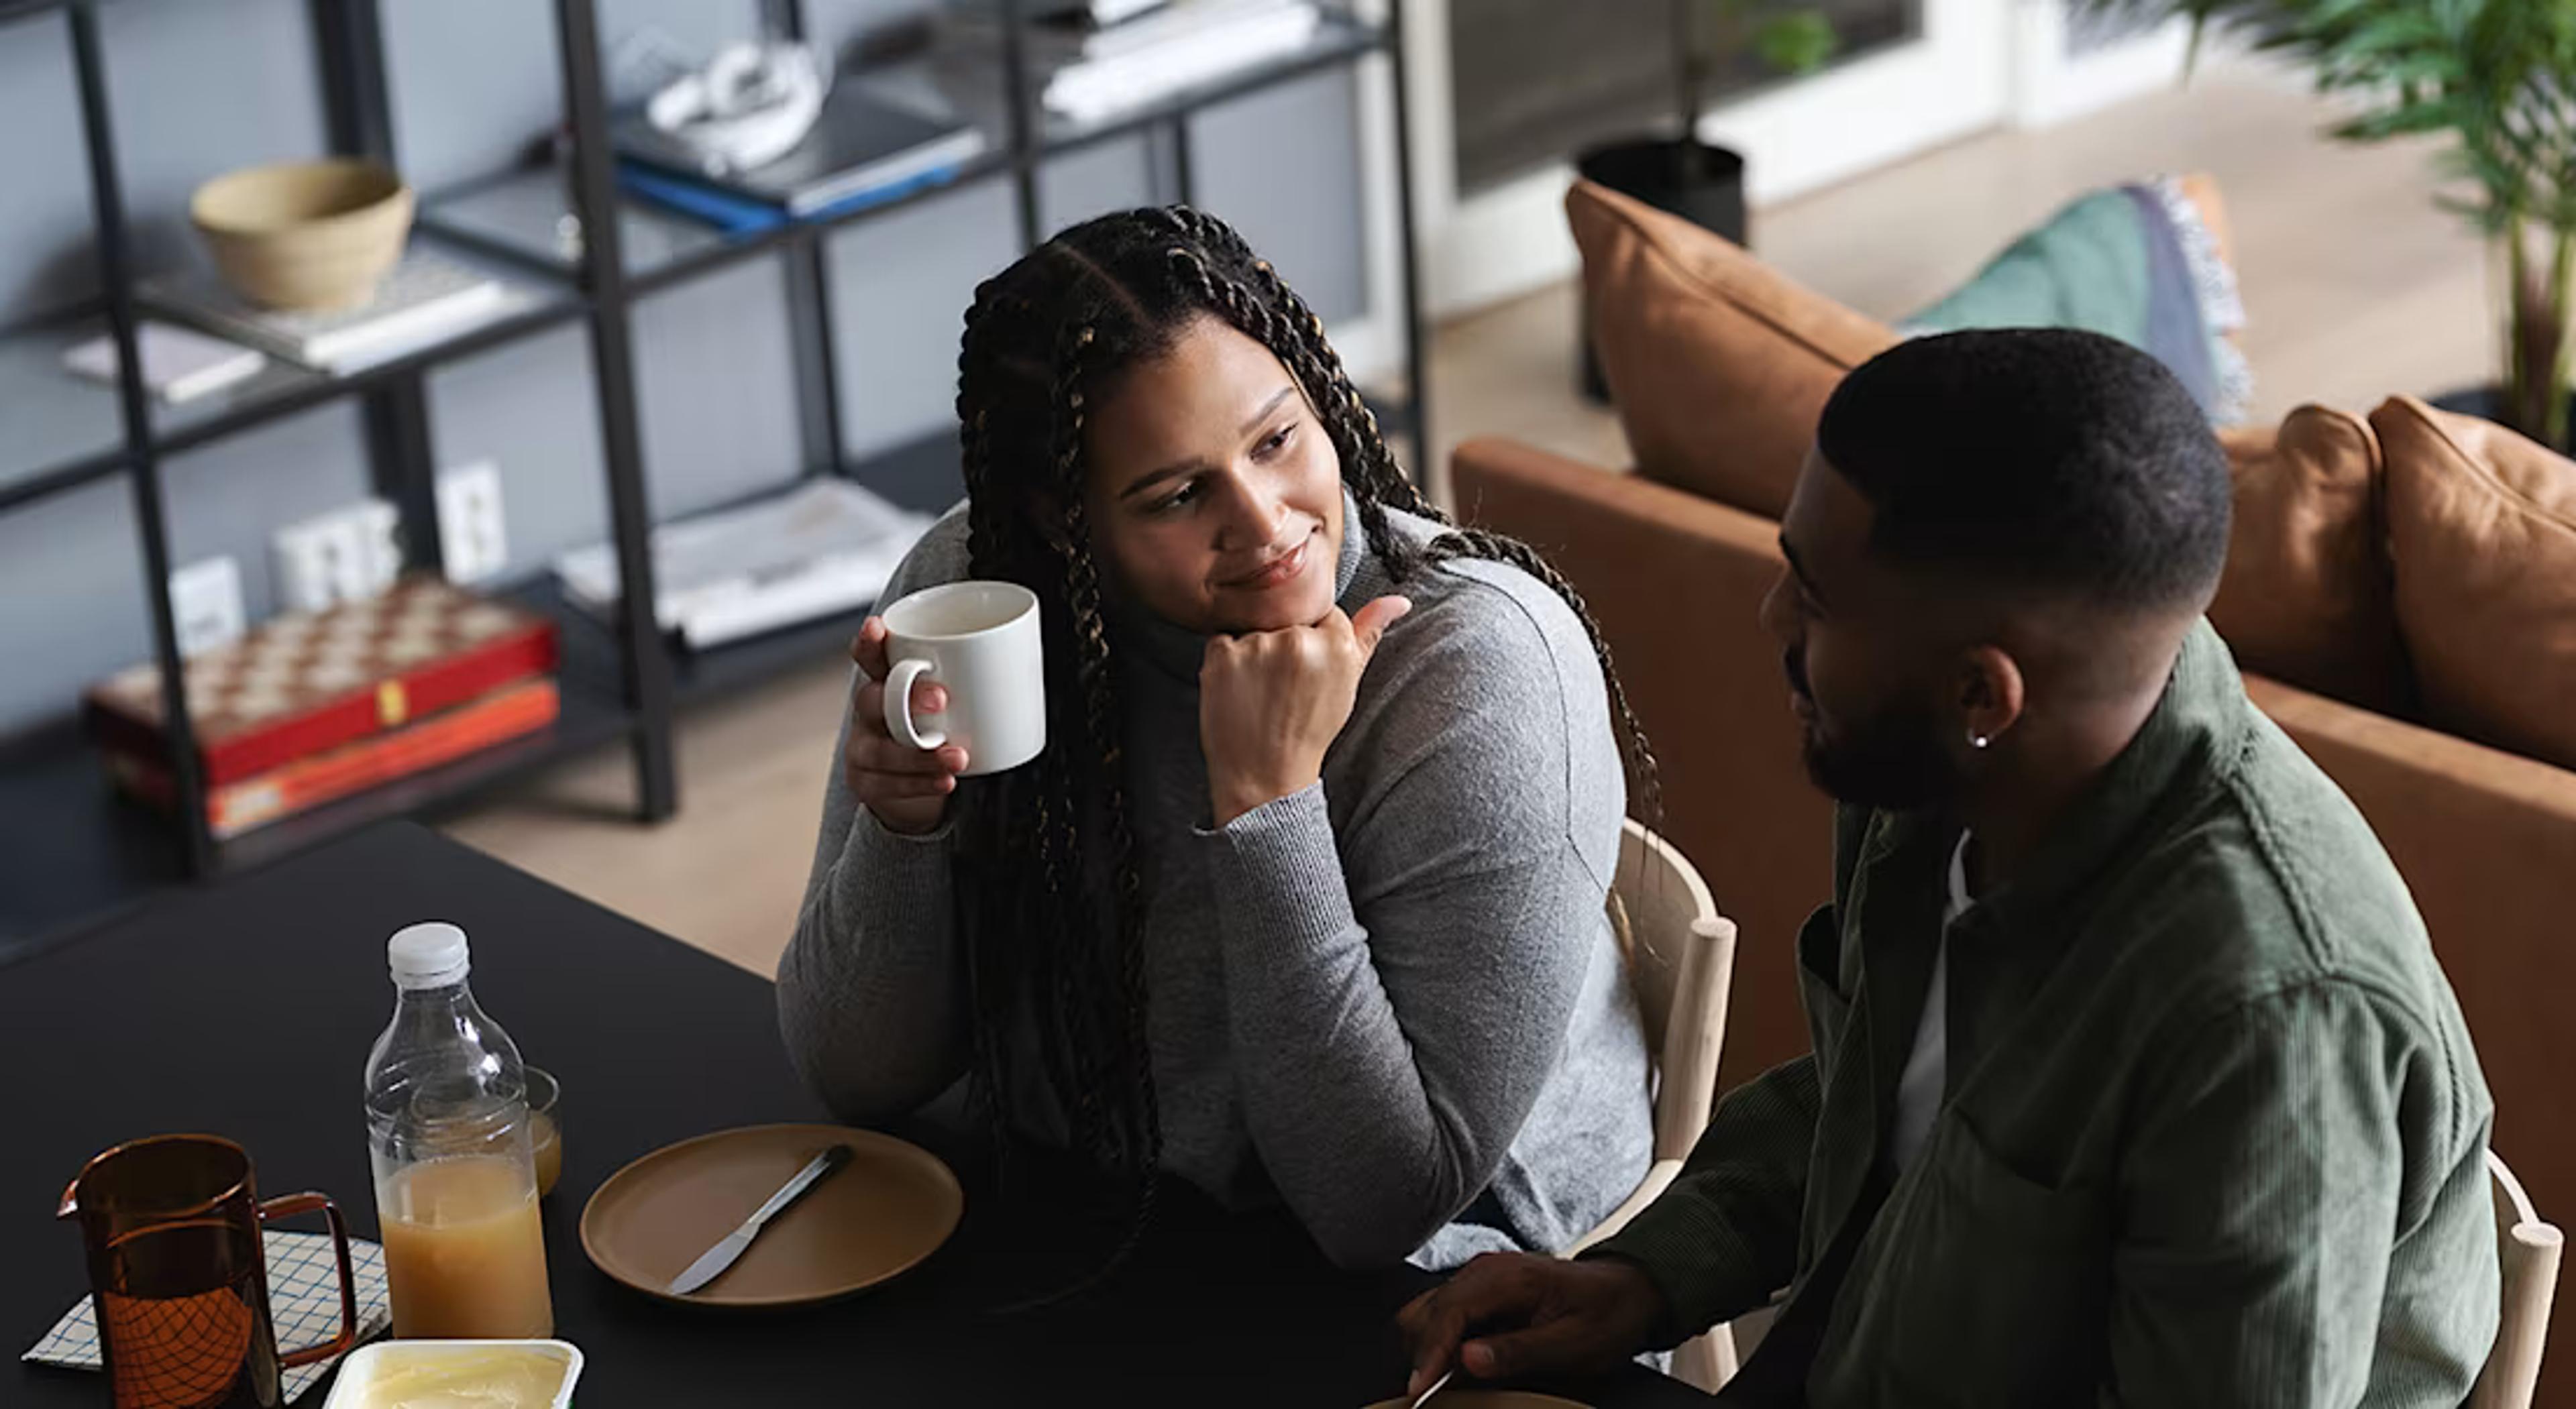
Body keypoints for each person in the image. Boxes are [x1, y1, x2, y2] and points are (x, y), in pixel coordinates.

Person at [1401, 329, 2500, 1404]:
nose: (1772, 617)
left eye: (1817, 599)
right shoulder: (1945, 768)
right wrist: (1640, 1278)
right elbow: (1878, 1101)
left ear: (1984, 693)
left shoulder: (2269, 1022)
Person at [777, 206, 1656, 1274]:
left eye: (1277, 440)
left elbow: (1380, 1203)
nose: (1265, 522)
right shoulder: (975, 599)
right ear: (1064, 520)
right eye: (1180, 495)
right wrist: (903, 832)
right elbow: (852, 1071)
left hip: (1448, 1298)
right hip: (1082, 1223)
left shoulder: (1472, 672)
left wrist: (1269, 801)